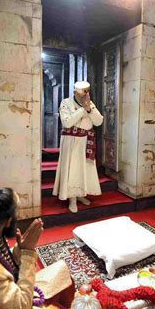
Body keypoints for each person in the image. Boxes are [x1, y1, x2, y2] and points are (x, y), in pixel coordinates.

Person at [53, 81, 104, 213]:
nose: (84, 98)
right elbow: (67, 122)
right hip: (72, 142)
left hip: (86, 141)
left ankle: (81, 194)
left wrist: (88, 108)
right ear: (75, 93)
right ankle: (72, 199)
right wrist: (82, 110)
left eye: (86, 95)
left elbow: (98, 121)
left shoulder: (89, 104)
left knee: (85, 170)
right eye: (82, 96)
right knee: (73, 170)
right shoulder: (66, 103)